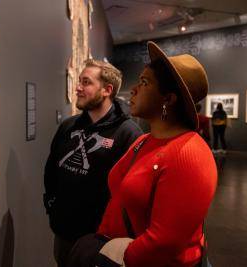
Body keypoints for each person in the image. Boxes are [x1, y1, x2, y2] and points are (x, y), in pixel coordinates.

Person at [91, 42, 217, 267]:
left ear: (168, 99)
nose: (134, 89)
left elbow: (163, 244)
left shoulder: (190, 154)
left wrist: (112, 258)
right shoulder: (143, 141)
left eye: (144, 82)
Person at [44, 59, 143, 267]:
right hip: (63, 234)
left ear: (107, 90)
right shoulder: (68, 126)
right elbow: (51, 171)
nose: (78, 87)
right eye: (79, 81)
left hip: (100, 241)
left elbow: (132, 194)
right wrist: (53, 207)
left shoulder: (128, 134)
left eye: (86, 82)